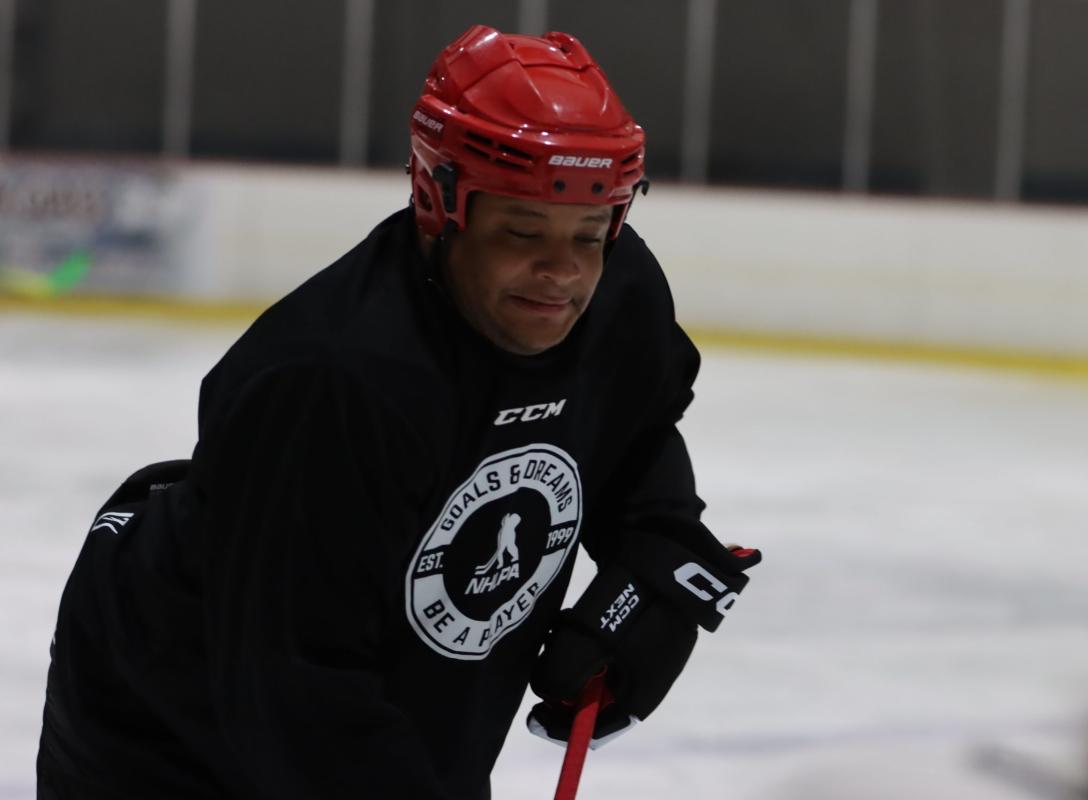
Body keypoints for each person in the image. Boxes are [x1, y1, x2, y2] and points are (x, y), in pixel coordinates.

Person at [38, 25, 761, 799]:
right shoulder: (335, 384)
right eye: (522, 230)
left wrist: (652, 576)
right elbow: (298, 696)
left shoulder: (617, 293)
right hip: (166, 730)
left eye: (591, 233)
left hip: (364, 689)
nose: (563, 272)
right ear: (436, 202)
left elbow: (635, 429)